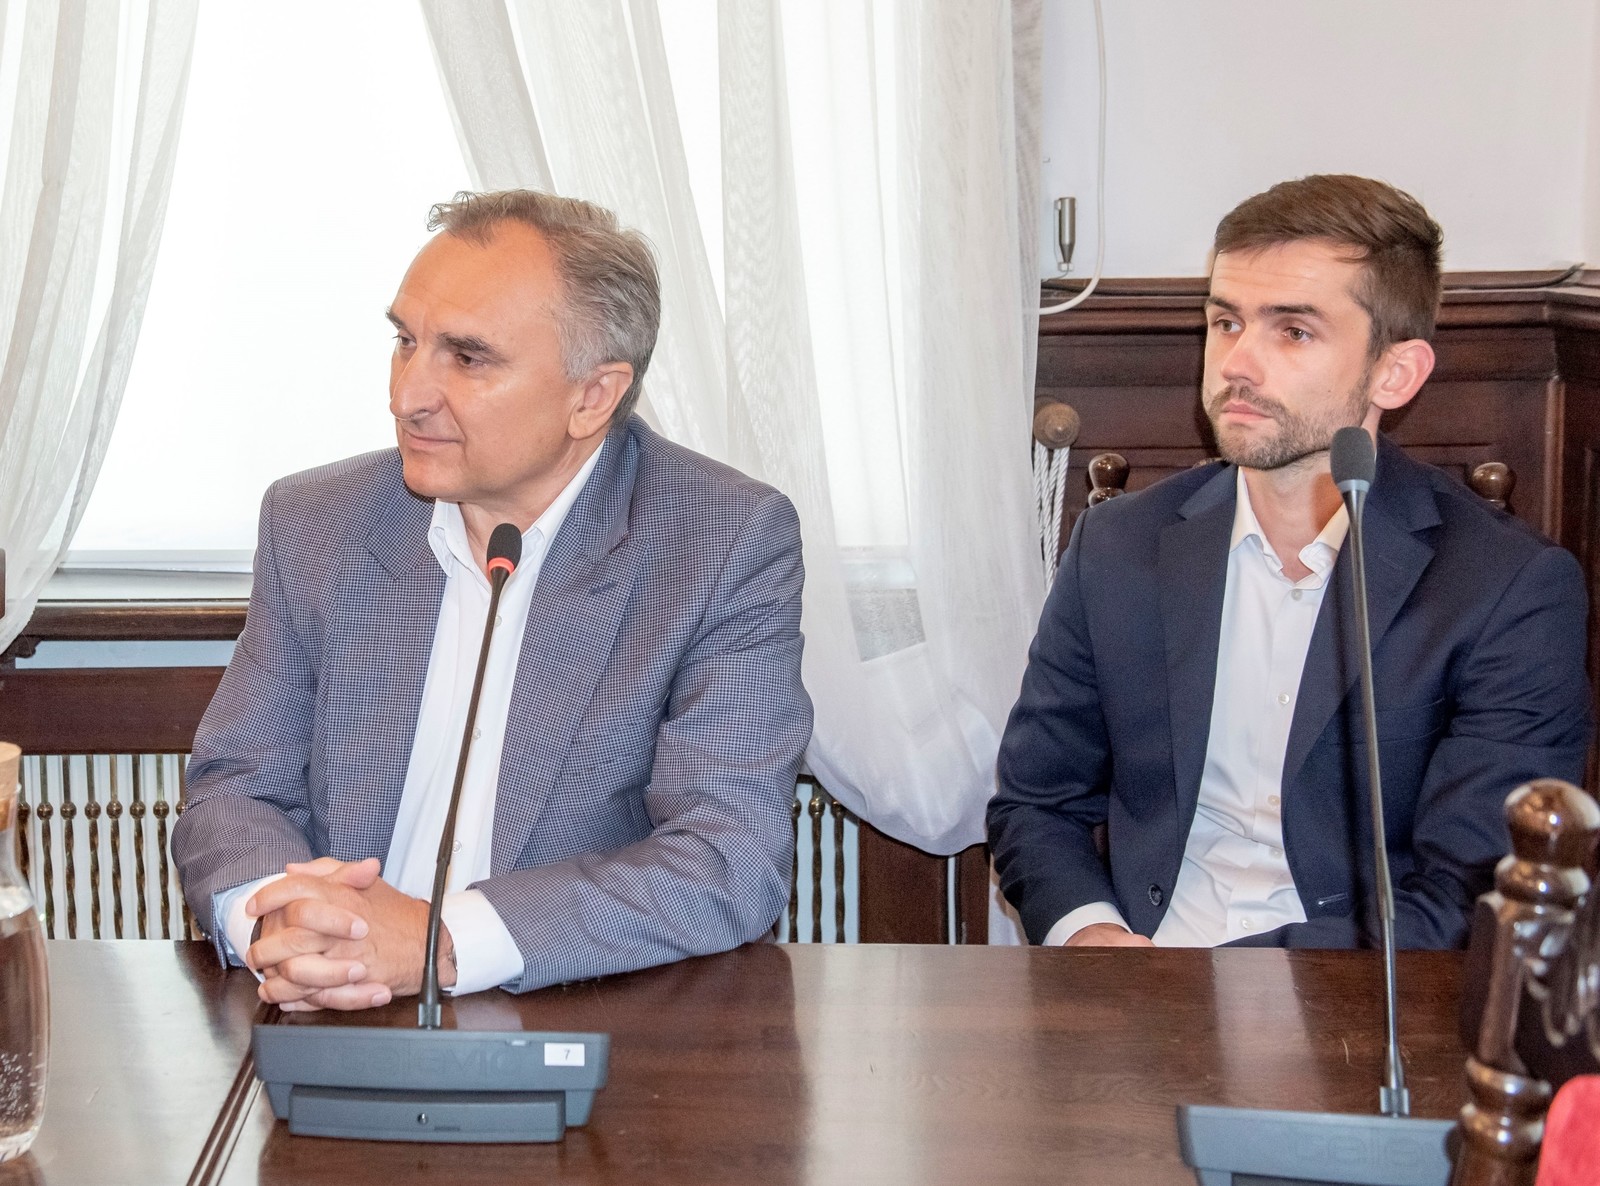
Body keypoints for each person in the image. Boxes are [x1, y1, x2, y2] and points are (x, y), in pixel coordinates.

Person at [174, 190, 812, 1009]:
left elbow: (727, 857)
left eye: (468, 359)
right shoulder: (318, 523)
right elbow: (237, 786)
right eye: (406, 342)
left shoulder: (720, 540)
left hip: (574, 1014)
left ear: (593, 396)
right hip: (329, 1009)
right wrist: (282, 925)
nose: (408, 395)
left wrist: (440, 942)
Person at [988, 174, 1590, 951]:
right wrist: (1093, 937)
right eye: (1226, 322)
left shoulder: (1507, 588)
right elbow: (1035, 806)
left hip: (1359, 998)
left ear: (1396, 372)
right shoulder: (1119, 547)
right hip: (1137, 977)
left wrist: (1211, 986)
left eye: (1293, 331)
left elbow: (1467, 896)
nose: (1237, 363)